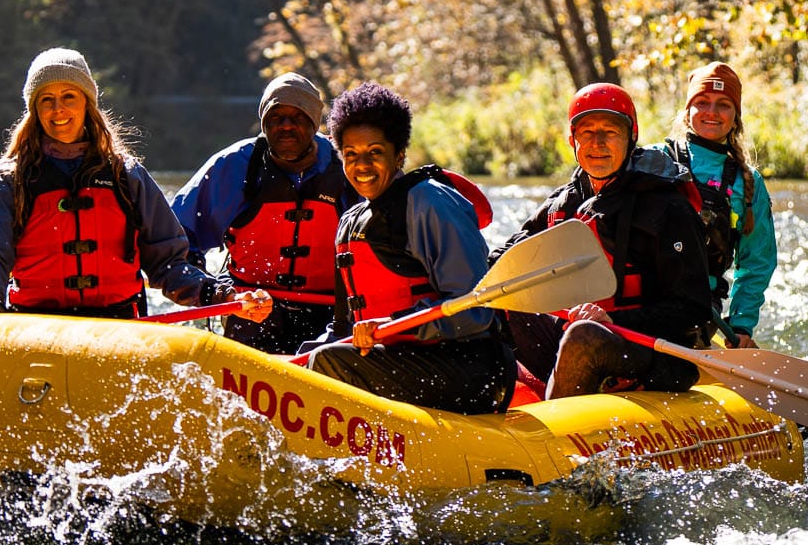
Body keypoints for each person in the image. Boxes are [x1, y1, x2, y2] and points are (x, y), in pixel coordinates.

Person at [0, 47, 274, 323]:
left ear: (86, 104)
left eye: (68, 97)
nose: (58, 109)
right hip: (37, 323)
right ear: (35, 111)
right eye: (47, 100)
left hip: (116, 325)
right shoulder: (10, 180)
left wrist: (221, 295)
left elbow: (168, 263)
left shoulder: (125, 175)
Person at [298, 82, 514, 415]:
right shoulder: (350, 222)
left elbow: (475, 310)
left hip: (473, 370)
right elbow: (342, 330)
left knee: (327, 363)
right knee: (311, 360)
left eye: (375, 152)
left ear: (399, 154)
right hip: (397, 362)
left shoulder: (430, 203)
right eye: (351, 155)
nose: (362, 165)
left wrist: (394, 324)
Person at [497, 83, 713, 399]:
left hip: (650, 353)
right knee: (502, 299)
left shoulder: (667, 208)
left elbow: (693, 310)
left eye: (610, 132)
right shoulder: (564, 203)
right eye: (587, 132)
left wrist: (612, 319)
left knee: (583, 336)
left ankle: (558, 426)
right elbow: (506, 257)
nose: (598, 143)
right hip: (575, 336)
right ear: (572, 140)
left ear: (630, 138)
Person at [171, 73, 354, 353]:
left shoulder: (348, 167)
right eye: (276, 117)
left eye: (298, 117)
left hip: (332, 318)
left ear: (315, 121)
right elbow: (174, 241)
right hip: (251, 310)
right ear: (263, 122)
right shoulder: (233, 167)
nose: (286, 126)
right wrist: (215, 292)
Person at [647, 61, 778, 349]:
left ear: (736, 117)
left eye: (723, 105)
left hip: (698, 308)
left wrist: (742, 322)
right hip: (641, 294)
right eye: (702, 102)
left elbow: (757, 262)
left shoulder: (748, 184)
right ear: (688, 111)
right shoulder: (654, 159)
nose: (712, 112)